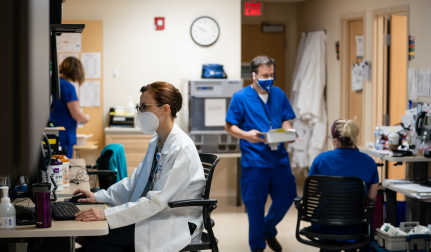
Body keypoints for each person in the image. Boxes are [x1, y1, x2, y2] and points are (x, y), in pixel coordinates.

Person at [73, 82, 206, 252]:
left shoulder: (181, 148)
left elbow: (157, 200)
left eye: (144, 106)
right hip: (155, 215)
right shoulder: (157, 142)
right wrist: (99, 196)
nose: (140, 112)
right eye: (139, 106)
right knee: (97, 239)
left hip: (174, 222)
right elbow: (135, 182)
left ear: (165, 109)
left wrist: (106, 214)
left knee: (99, 236)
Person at [225, 55, 298, 252]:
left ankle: (268, 228)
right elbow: (229, 126)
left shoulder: (279, 94)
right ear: (254, 75)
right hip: (254, 161)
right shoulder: (240, 97)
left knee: (287, 197)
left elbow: (286, 118)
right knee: (255, 206)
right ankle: (257, 246)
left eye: (272, 75)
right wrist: (246, 135)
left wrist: (288, 132)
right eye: (265, 75)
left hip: (279, 159)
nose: (269, 79)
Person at [308, 119, 379, 252]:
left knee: (329, 240)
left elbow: (310, 192)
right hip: (356, 225)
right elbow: (372, 197)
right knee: (367, 225)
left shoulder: (321, 159)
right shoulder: (369, 162)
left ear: (335, 141)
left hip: (324, 225)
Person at [50, 57, 90, 158]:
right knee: (64, 167)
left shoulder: (53, 83)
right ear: (76, 72)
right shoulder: (67, 86)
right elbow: (77, 115)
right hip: (64, 136)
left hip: (51, 133)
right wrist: (86, 117)